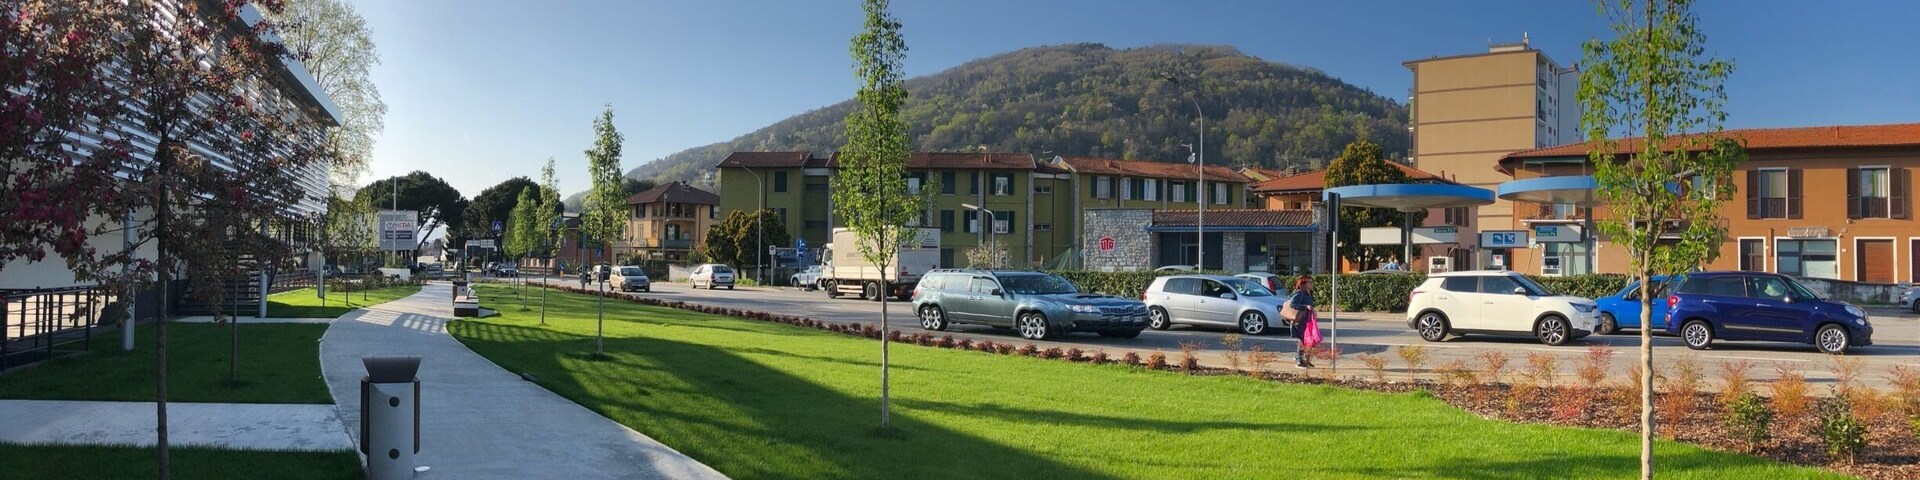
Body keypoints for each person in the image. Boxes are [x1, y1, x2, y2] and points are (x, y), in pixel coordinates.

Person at [1286, 276, 1317, 369]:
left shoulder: (1309, 293)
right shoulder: (1300, 293)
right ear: (1303, 284)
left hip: (1308, 320)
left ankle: (1306, 360)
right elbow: (1292, 304)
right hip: (1300, 320)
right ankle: (1299, 361)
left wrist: (1313, 310)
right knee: (1302, 340)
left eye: (1312, 282)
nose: (1311, 284)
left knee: (1309, 340)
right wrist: (1305, 306)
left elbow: (1310, 305)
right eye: (1309, 282)